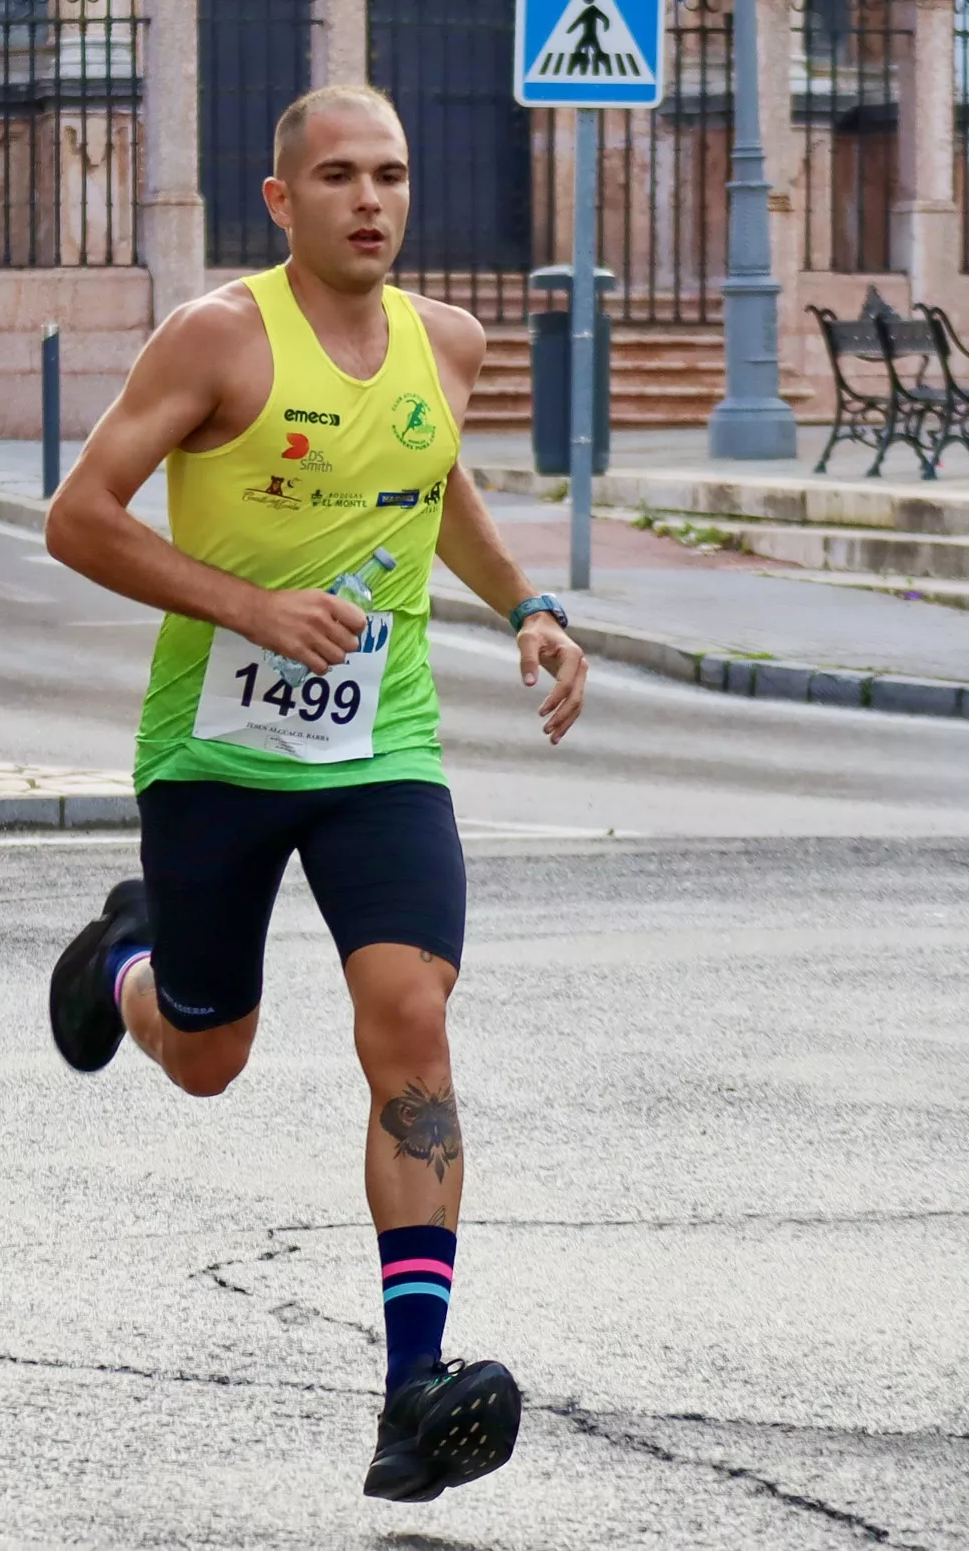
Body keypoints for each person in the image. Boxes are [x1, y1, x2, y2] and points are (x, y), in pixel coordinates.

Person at [41, 84, 589, 1503]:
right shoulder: (220, 337)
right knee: (210, 1055)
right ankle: (125, 963)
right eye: (338, 175)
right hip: (216, 752)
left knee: (410, 1014)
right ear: (281, 200)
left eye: (392, 175)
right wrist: (251, 602)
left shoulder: (446, 342)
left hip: (379, 748)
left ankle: (416, 1384)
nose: (371, 199)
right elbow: (79, 515)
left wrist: (527, 602)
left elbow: (433, 481)